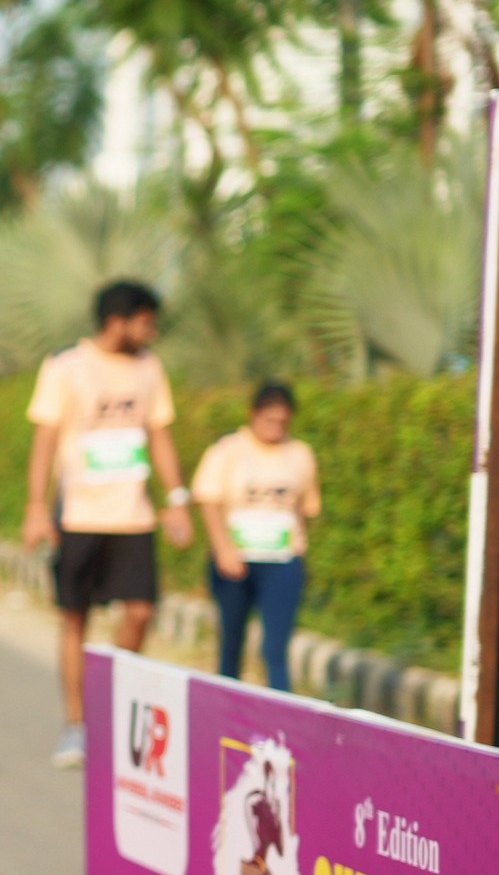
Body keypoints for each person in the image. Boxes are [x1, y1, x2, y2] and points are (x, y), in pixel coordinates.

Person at [23, 278, 191, 768]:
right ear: (117, 322)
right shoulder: (66, 368)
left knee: (140, 611)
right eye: (145, 323)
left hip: (133, 517)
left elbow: (159, 435)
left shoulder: (149, 369)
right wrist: (36, 507)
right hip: (79, 516)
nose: (151, 333)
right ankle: (77, 724)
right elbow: (45, 440)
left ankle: (114, 708)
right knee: (75, 617)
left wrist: (177, 499)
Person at [196, 381, 319, 692]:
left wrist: (299, 548)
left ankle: (280, 713)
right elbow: (208, 501)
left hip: (281, 560)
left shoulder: (300, 454)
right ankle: (226, 710)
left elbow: (307, 508)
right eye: (269, 420)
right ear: (253, 414)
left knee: (275, 649)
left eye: (282, 421)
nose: (275, 427)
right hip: (235, 561)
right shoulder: (228, 450)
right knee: (231, 643)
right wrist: (223, 549)